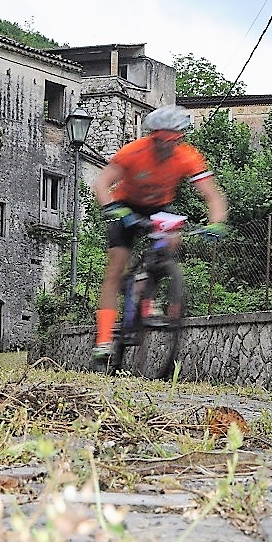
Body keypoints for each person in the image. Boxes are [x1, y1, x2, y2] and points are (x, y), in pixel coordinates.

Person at [90, 104, 228, 361]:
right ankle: (104, 338)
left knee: (172, 239)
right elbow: (101, 183)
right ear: (152, 136)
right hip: (125, 206)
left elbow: (213, 196)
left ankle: (147, 294)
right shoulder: (134, 152)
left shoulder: (187, 156)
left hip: (159, 207)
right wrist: (110, 207)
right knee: (116, 265)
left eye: (172, 141)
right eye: (160, 140)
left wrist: (217, 222)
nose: (165, 146)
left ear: (179, 138)